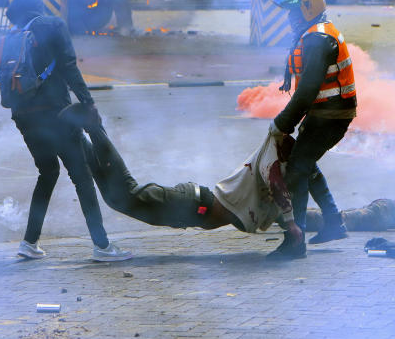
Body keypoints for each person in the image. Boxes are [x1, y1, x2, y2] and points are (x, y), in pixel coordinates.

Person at [60, 103, 305, 251]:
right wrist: (293, 224)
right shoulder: (272, 158)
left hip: (191, 208)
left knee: (116, 199)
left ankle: (78, 136)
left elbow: (282, 204)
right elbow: (276, 184)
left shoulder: (277, 168)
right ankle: (92, 125)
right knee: (126, 193)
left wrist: (329, 220)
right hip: (193, 204)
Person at [0, 0, 131, 262]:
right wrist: (88, 101)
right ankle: (103, 246)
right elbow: (70, 66)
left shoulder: (12, 35)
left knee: (47, 173)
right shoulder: (53, 26)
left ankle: (29, 242)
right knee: (82, 178)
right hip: (56, 115)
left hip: (24, 119)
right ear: (39, 6)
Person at [267, 0, 358, 260]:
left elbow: (306, 91)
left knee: (296, 170)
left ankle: (296, 240)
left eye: (294, 12)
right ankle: (333, 223)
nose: (289, 19)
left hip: (330, 116)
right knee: (304, 162)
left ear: (309, 8)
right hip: (326, 113)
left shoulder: (318, 39)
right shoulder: (315, 33)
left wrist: (282, 123)